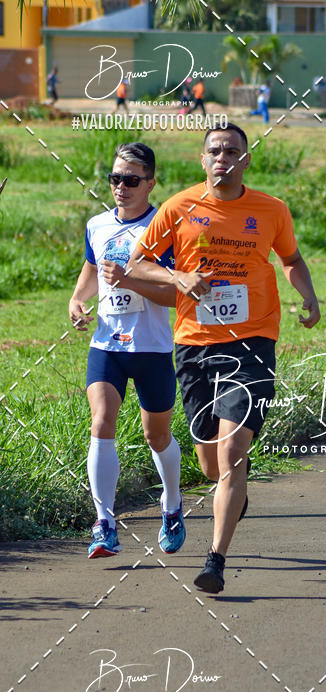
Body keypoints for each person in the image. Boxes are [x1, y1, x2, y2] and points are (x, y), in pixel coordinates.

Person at [130, 124, 320, 593]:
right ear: (202, 159)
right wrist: (180, 277)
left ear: (246, 159)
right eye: (214, 151)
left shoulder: (271, 210)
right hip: (194, 344)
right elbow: (136, 264)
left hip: (252, 342)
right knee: (212, 464)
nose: (223, 158)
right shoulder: (179, 206)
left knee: (232, 452)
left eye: (232, 151)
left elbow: (291, 260)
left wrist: (310, 298)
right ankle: (234, 492)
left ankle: (215, 560)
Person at [69, 143, 186, 559]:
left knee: (157, 436)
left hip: (152, 348)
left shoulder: (164, 226)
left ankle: (171, 505)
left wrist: (130, 281)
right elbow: (90, 268)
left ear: (151, 183)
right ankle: (105, 524)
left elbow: (177, 295)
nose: (121, 186)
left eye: (132, 179)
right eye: (115, 178)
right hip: (107, 344)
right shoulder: (97, 225)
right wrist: (77, 301)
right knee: (101, 420)